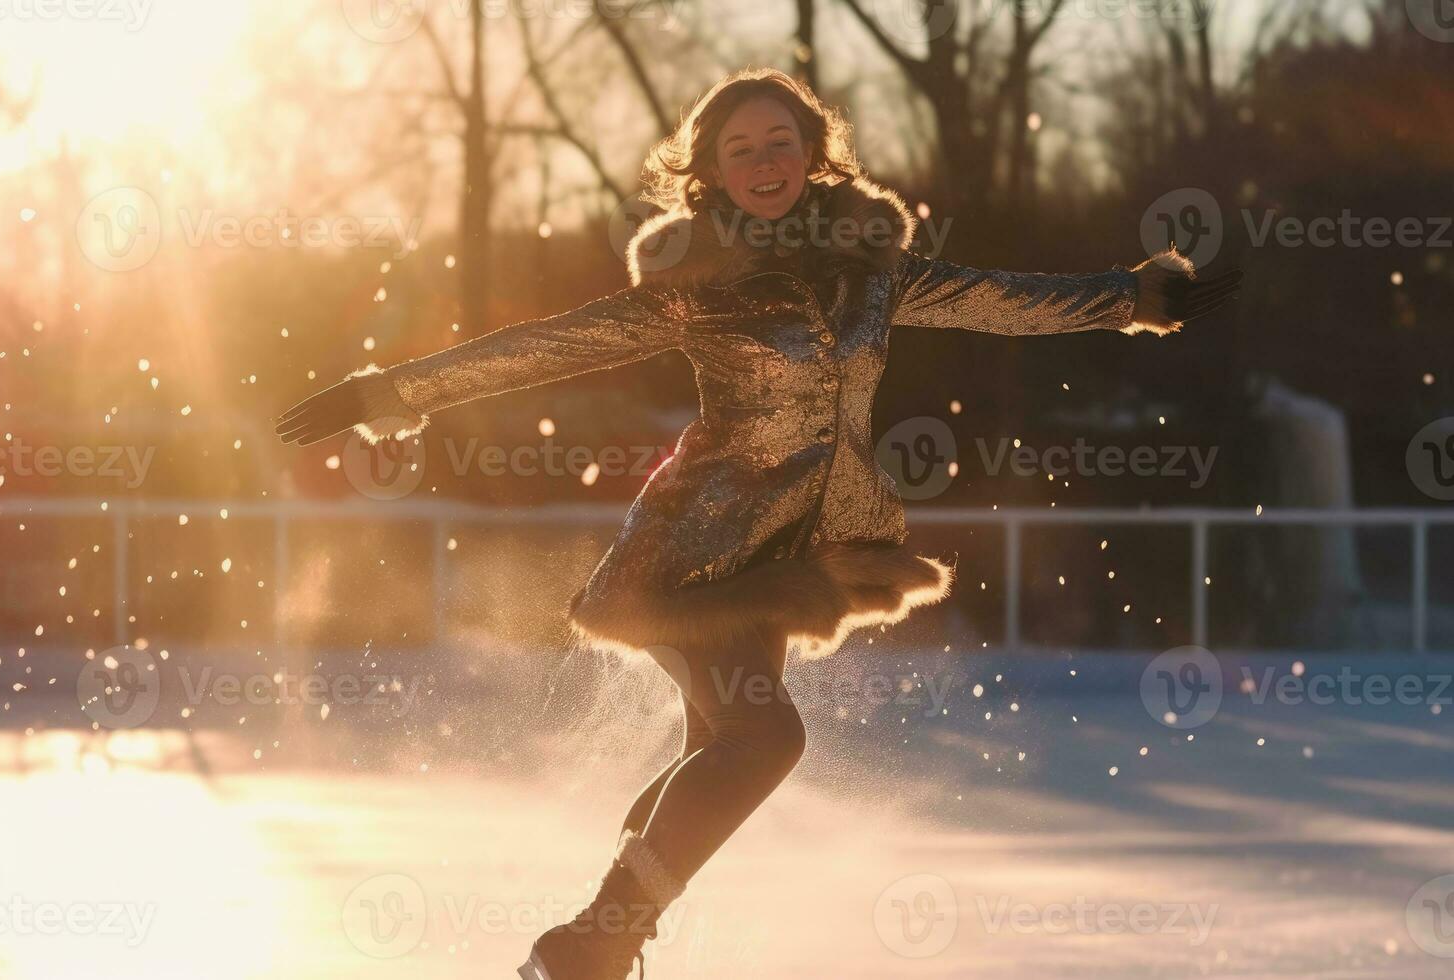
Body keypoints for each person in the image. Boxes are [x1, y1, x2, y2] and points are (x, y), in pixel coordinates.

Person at [276, 67, 1241, 980]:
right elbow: (550, 345)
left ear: (814, 151)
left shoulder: (875, 272)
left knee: (722, 747)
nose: (765, 161)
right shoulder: (697, 283)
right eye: (741, 149)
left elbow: (1004, 302)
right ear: (710, 174)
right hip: (693, 556)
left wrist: (1134, 298)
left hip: (790, 555)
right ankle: (589, 948)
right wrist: (394, 388)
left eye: (781, 140)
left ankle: (600, 928)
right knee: (764, 741)